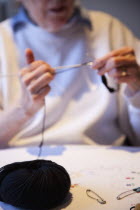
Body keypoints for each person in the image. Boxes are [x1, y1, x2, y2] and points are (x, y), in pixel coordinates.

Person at [0, 0, 140, 148]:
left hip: (106, 158)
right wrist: (23, 108)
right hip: (24, 163)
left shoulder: (110, 29)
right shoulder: (2, 39)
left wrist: (137, 87)